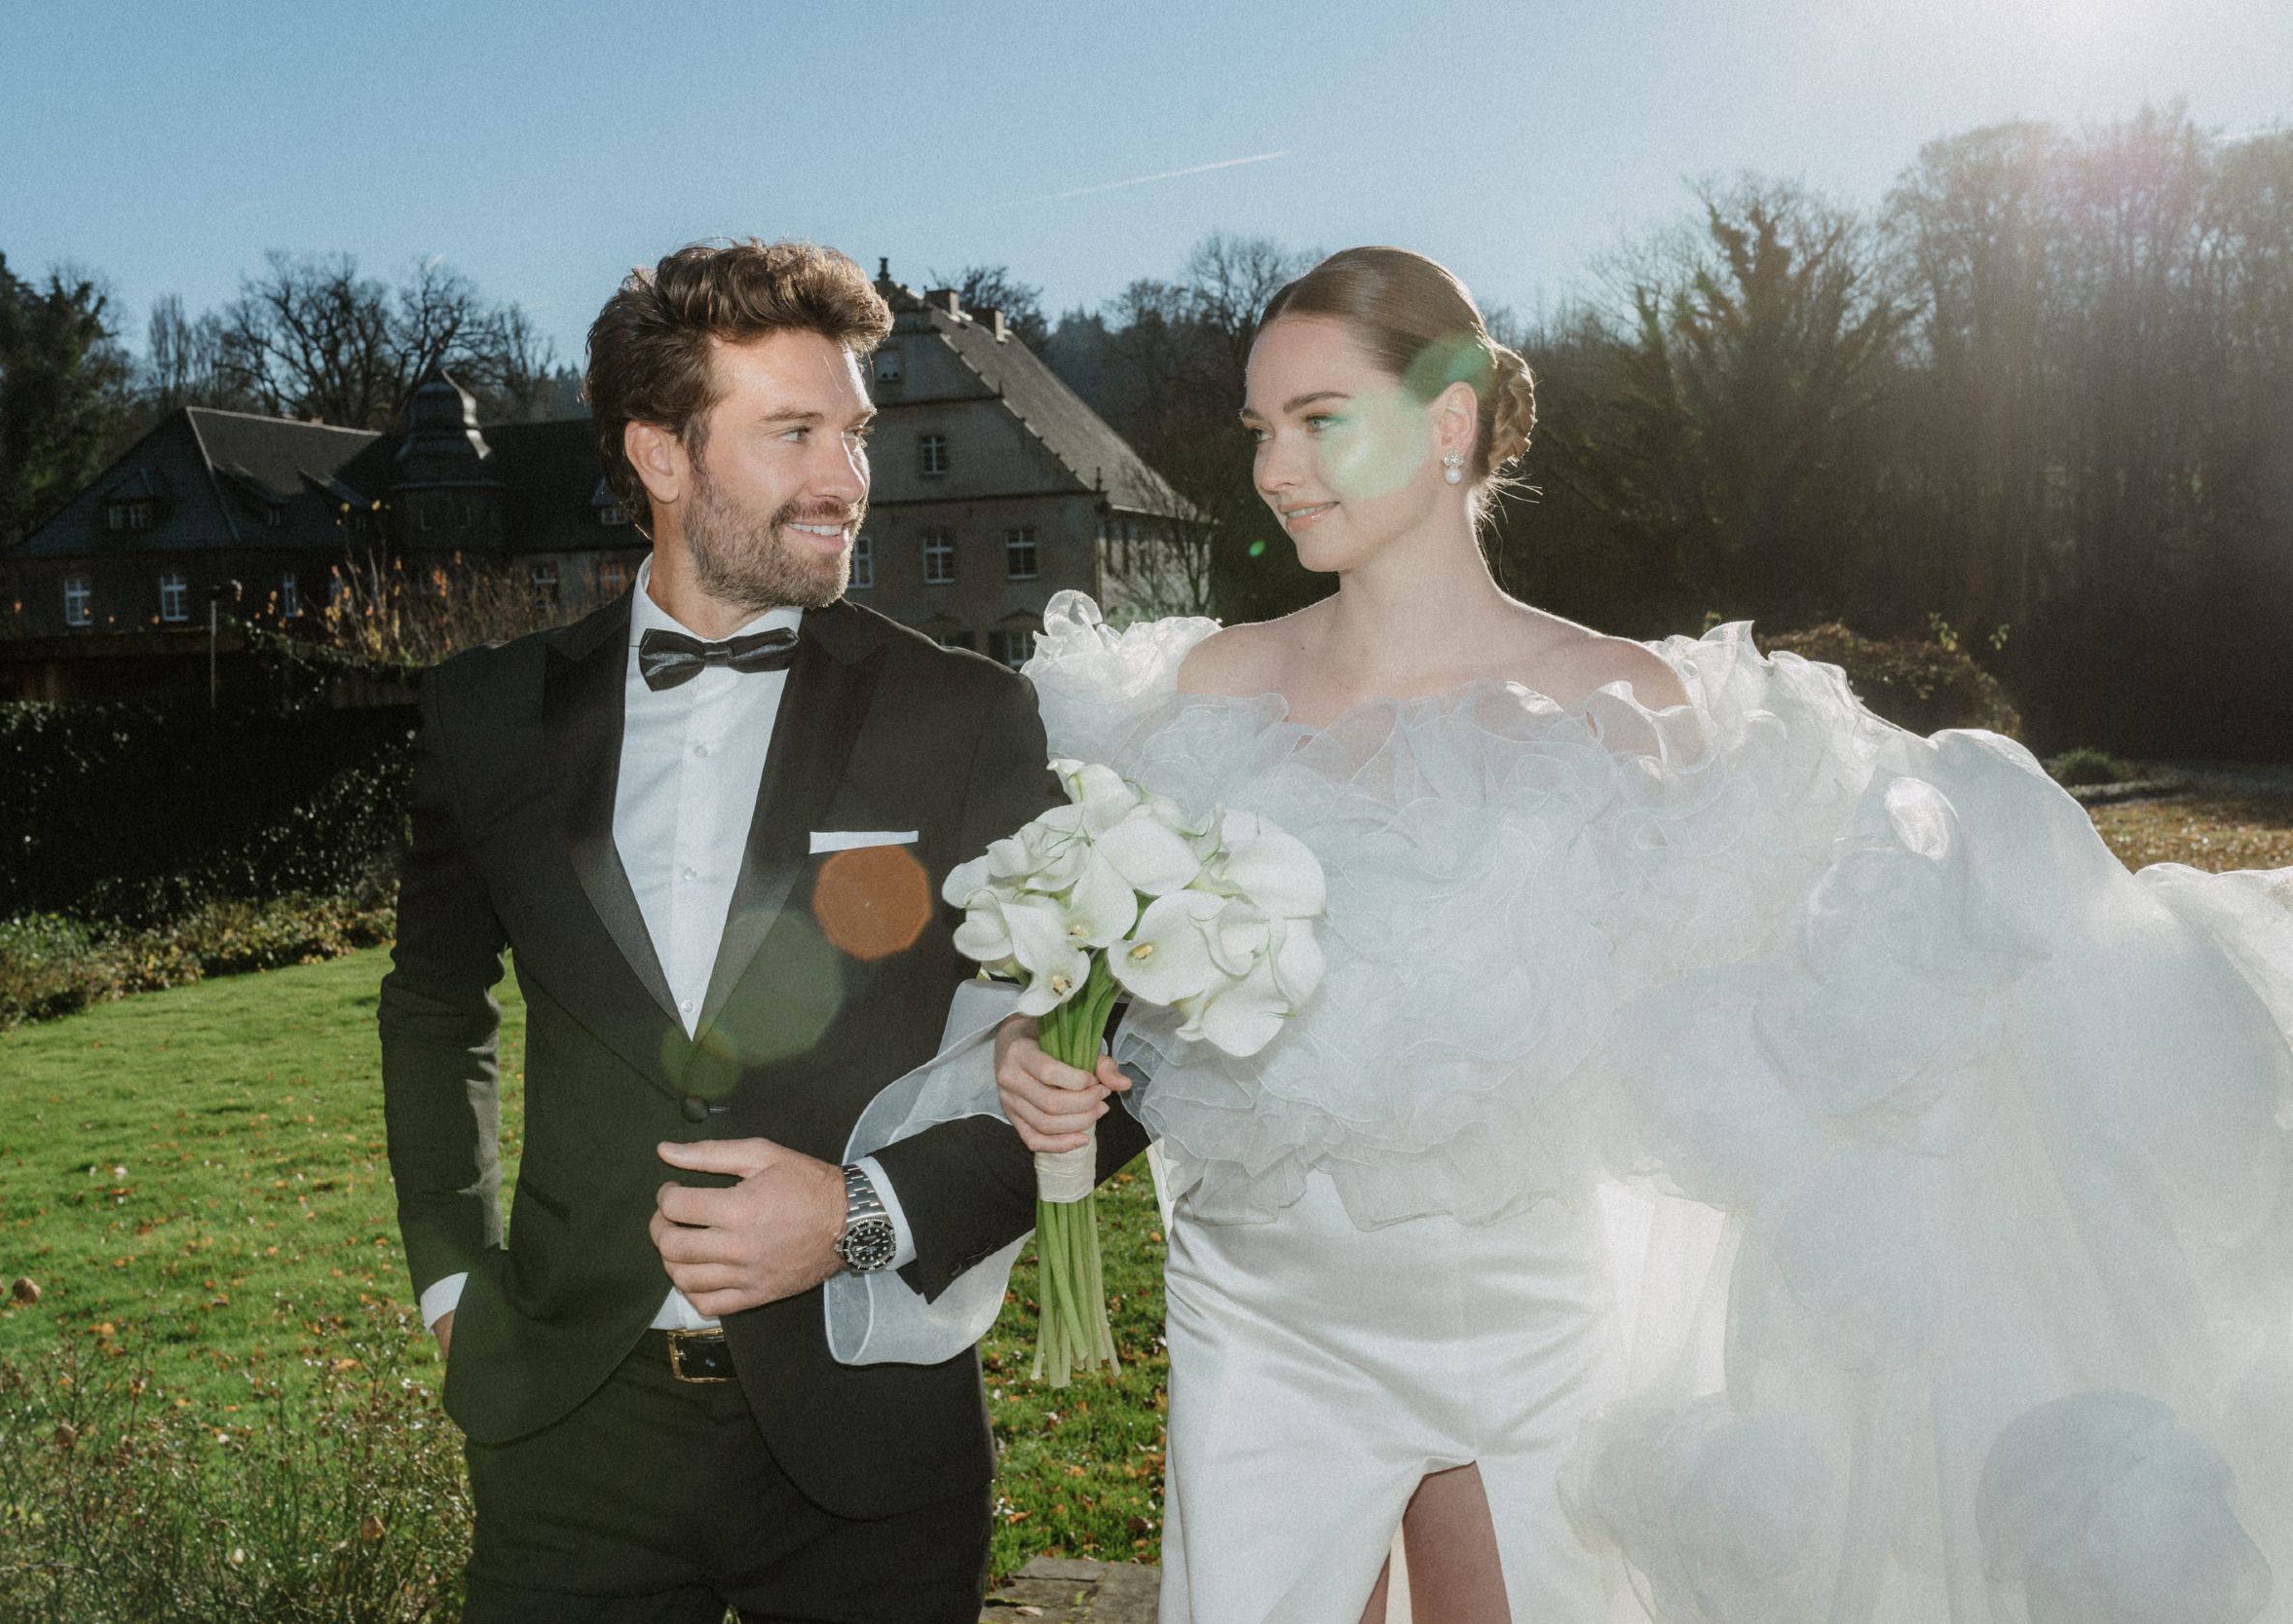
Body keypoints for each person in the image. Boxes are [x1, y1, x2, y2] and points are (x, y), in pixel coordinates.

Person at [986, 246, 2293, 1623]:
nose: (1274, 469)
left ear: (1448, 422)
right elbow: (1091, 966)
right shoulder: (1202, 695)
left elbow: (1796, 1003)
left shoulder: (1627, 709)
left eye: (1320, 421)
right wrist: (1034, 1043)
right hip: (1265, 1316)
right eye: (1262, 428)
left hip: (1536, 1324)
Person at [378, 238, 1146, 1623]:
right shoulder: (486, 712)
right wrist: (449, 1274)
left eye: (854, 434)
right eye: (794, 433)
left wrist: (867, 1215)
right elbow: (435, 1003)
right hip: (567, 1440)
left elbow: (1125, 1042)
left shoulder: (963, 718)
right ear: (660, 457)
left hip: (870, 1447)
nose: (846, 478)